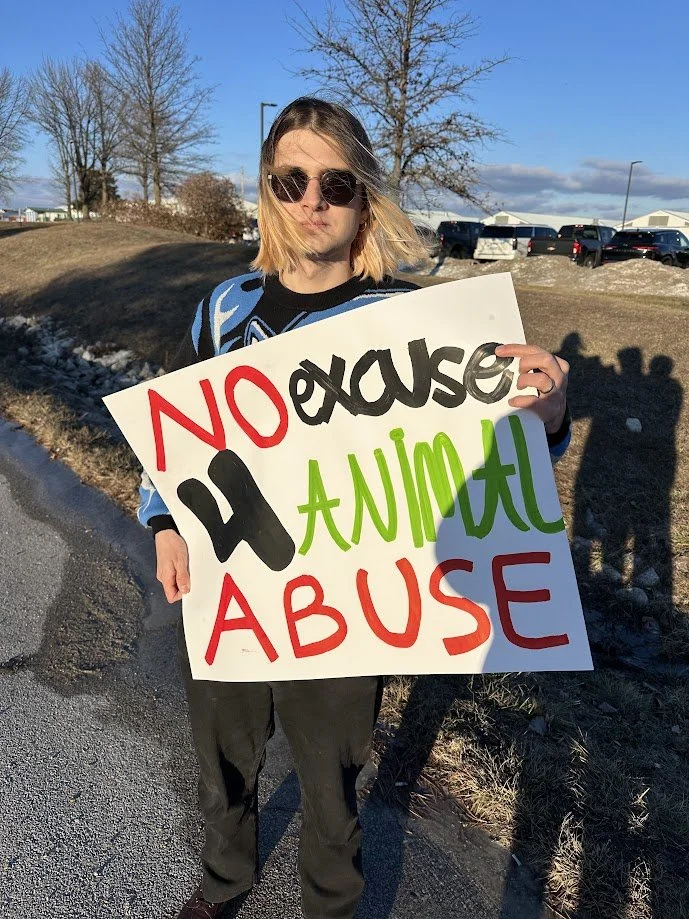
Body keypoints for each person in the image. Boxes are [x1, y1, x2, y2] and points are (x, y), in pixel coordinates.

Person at [137, 96, 572, 919]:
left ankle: (330, 907)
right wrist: (161, 520)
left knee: (331, 776)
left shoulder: (410, 323)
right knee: (222, 754)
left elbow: (487, 450)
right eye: (291, 180)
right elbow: (172, 434)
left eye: (335, 183)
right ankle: (224, 880)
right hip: (231, 581)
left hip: (340, 601)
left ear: (364, 198)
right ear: (268, 190)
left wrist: (545, 416)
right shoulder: (223, 307)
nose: (312, 200)